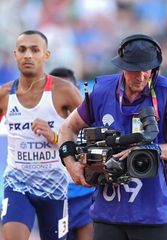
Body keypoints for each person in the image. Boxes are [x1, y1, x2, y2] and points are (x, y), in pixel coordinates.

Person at [58, 34, 167, 240]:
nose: (141, 76)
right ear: (123, 66)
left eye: (146, 70)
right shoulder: (102, 91)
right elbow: (67, 128)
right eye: (134, 70)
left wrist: (152, 150)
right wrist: (71, 164)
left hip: (152, 214)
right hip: (106, 213)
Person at [0, 30, 82, 240]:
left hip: (53, 186)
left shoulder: (64, 90)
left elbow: (89, 135)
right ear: (14, 54)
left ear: (46, 55)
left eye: (35, 50)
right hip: (17, 184)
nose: (28, 55)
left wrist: (55, 137)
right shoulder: (4, 94)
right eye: (22, 50)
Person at [49, 67, 94, 240]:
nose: (64, 93)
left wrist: (53, 137)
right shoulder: (40, 117)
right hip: (55, 195)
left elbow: (90, 145)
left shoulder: (86, 118)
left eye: (68, 88)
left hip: (84, 194)